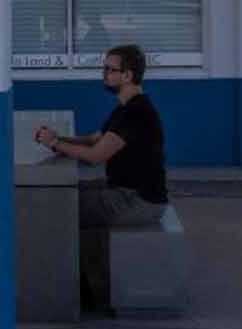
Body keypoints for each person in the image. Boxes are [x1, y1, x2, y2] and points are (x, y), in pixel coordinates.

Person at [34, 42, 166, 310]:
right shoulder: (126, 107)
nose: (103, 73)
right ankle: (84, 285)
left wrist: (56, 145)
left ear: (128, 75)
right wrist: (59, 139)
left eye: (110, 69)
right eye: (104, 68)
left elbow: (96, 156)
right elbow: (95, 138)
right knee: (69, 194)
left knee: (60, 207)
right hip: (124, 192)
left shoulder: (137, 113)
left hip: (138, 202)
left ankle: (78, 294)